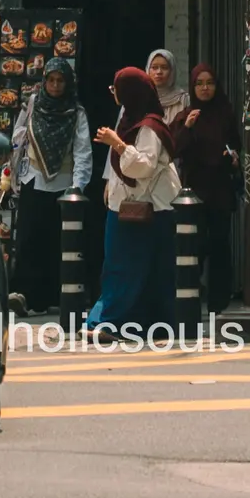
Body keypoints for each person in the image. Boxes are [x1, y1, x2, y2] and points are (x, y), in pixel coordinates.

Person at [85, 65, 181, 330]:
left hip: (151, 210)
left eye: (116, 88)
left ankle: (113, 322)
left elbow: (143, 166)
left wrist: (117, 143)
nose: (112, 92)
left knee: (133, 269)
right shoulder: (128, 117)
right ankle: (116, 320)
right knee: (120, 268)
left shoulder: (150, 126)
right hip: (126, 208)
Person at [6, 60, 91, 313]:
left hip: (63, 187)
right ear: (44, 81)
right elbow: (16, 135)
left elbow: (83, 152)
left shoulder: (76, 113)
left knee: (58, 244)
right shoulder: (32, 105)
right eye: (51, 80)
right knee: (29, 241)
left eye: (60, 80)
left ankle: (55, 298)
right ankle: (24, 296)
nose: (55, 85)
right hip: (33, 180)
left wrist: (77, 188)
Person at [170, 62, 241, 312]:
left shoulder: (226, 114)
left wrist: (233, 159)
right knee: (194, 245)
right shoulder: (186, 116)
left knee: (220, 245)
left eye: (209, 83)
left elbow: (236, 146)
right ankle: (189, 299)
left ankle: (218, 303)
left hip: (220, 189)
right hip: (194, 192)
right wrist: (187, 127)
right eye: (199, 84)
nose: (205, 88)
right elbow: (174, 150)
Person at [146, 47, 189, 125]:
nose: (159, 72)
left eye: (164, 68)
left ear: (172, 71)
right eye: (154, 67)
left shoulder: (183, 100)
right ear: (148, 70)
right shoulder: (139, 99)